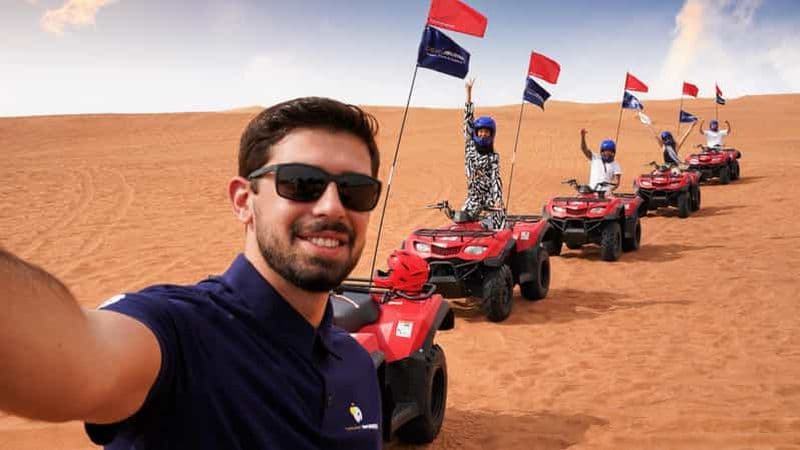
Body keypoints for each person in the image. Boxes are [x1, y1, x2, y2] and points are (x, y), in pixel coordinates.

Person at [0, 97, 385, 449]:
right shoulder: (179, 334)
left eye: (356, 190)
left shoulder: (355, 365)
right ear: (242, 201)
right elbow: (74, 358)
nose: (333, 207)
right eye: (303, 183)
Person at [462, 78, 506, 229]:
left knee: (497, 228)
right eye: (480, 131)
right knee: (460, 223)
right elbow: (468, 121)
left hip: (490, 200)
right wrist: (468, 94)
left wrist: (498, 199)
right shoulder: (469, 146)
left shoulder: (493, 157)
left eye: (486, 132)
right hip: (472, 200)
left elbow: (496, 180)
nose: (483, 134)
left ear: (491, 134)